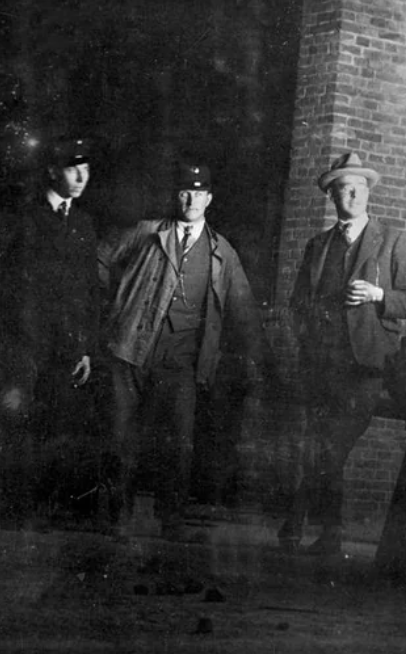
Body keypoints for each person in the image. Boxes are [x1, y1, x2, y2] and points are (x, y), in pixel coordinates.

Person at [99, 162, 266, 543]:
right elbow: (98, 260)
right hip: (131, 351)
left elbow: (243, 311)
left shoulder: (222, 252)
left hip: (183, 360)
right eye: (184, 192)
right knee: (121, 437)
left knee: (178, 442)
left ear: (209, 198)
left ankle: (170, 519)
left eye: (199, 193)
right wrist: (115, 308)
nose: (191, 200)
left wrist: (261, 360)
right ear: (177, 196)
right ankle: (116, 517)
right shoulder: (146, 232)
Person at [280, 151, 406, 555]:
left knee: (331, 444)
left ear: (368, 193)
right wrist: (311, 333)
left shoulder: (392, 239)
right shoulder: (318, 246)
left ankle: (307, 525)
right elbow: (297, 305)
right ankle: (327, 535)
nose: (353, 195)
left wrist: (379, 295)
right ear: (333, 197)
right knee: (322, 445)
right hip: (323, 364)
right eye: (344, 189)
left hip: (366, 368)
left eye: (359, 188)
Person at [0, 137, 104, 527]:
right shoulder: (24, 217)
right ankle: (14, 512)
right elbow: (5, 284)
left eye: (87, 169)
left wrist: (87, 348)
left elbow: (90, 291)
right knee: (19, 424)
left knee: (58, 426)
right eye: (72, 169)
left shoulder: (83, 223)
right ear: (52, 171)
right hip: (24, 344)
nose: (81, 177)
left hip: (66, 348)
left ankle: (45, 509)